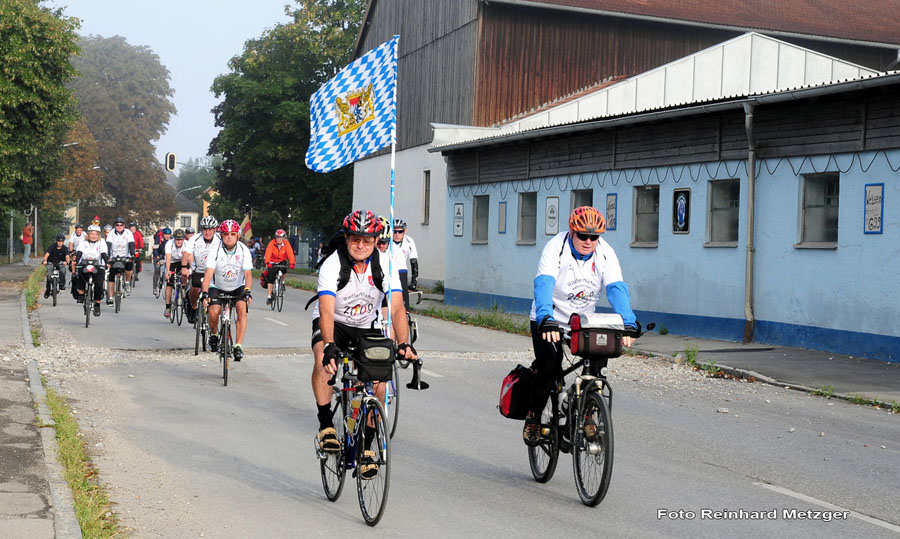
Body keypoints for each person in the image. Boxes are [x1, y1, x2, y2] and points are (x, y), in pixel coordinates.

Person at [311, 210, 417, 479]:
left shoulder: (386, 264)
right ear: (346, 238)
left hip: (365, 325)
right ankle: (326, 425)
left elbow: (396, 307)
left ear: (375, 240)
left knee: (378, 383)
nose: (361, 245)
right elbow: (325, 309)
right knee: (325, 362)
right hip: (334, 321)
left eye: (367, 240)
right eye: (355, 239)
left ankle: (367, 449)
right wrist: (330, 345)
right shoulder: (332, 265)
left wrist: (404, 342)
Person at [522, 206, 637, 446]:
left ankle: (587, 414)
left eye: (593, 237)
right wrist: (545, 317)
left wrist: (627, 321)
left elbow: (616, 287)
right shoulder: (556, 247)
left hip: (583, 323)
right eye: (582, 236)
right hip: (549, 318)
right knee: (550, 368)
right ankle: (534, 416)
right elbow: (544, 283)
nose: (588, 241)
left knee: (596, 370)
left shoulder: (605, 252)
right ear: (572, 232)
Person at [200, 219, 252, 361]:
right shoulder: (214, 250)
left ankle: (238, 346)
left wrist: (247, 291)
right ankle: (215, 335)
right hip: (217, 286)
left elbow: (247, 274)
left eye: (233, 234)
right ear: (221, 236)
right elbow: (208, 274)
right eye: (226, 234)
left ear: (237, 236)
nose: (229, 236)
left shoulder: (243, 250)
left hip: (237, 287)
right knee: (213, 312)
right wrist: (205, 293)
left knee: (242, 308)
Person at [182, 216, 220, 324]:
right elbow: (186, 254)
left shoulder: (220, 239)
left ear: (215, 229)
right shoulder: (195, 239)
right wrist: (184, 268)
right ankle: (193, 307)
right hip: (199, 268)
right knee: (194, 289)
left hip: (214, 270)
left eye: (210, 229)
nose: (207, 232)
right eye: (205, 229)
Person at [73, 224, 109, 316]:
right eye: (92, 234)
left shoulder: (102, 242)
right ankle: (81, 294)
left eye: (96, 234)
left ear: (98, 235)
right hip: (85, 262)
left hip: (98, 264)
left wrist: (107, 262)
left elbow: (104, 253)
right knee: (80, 273)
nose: (94, 236)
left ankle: (97, 304)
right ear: (88, 234)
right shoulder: (83, 241)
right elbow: (79, 252)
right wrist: (76, 261)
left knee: (98, 283)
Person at [105, 217, 136, 303]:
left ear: (124, 226)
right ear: (115, 226)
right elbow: (108, 244)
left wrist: (132, 254)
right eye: (117, 225)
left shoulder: (128, 233)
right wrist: (107, 256)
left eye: (121, 225)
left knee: (129, 266)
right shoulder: (111, 233)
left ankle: (126, 282)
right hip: (114, 255)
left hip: (125, 255)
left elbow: (131, 244)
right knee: (111, 276)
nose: (119, 226)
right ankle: (111, 297)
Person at [390, 219, 419, 309]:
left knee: (403, 293)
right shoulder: (387, 240)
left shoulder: (409, 241)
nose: (397, 235)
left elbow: (414, 262)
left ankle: (406, 313)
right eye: (394, 232)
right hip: (388, 269)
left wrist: (414, 282)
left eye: (400, 231)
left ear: (404, 231)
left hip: (401, 269)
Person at [263, 229, 295, 305]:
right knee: (271, 278)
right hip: (272, 261)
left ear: (283, 238)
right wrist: (268, 262)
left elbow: (290, 253)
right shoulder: (272, 243)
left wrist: (292, 263)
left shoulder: (286, 243)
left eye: (280, 238)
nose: (279, 239)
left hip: (282, 260)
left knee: (284, 269)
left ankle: (282, 281)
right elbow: (268, 253)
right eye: (277, 237)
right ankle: (269, 296)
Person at [163, 229, 188, 318]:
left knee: (185, 273)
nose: (179, 241)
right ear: (174, 239)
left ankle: (183, 287)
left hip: (183, 261)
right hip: (172, 262)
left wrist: (188, 270)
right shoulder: (169, 244)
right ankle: (168, 307)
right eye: (177, 239)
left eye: (181, 239)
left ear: (183, 239)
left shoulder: (187, 244)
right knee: (169, 283)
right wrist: (168, 271)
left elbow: (189, 258)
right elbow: (168, 258)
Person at [152, 227, 171, 294]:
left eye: (169, 235)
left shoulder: (171, 240)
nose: (167, 236)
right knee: (157, 270)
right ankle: (154, 287)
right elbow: (155, 249)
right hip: (158, 255)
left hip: (167, 256)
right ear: (163, 234)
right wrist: (157, 258)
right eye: (166, 234)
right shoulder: (158, 239)